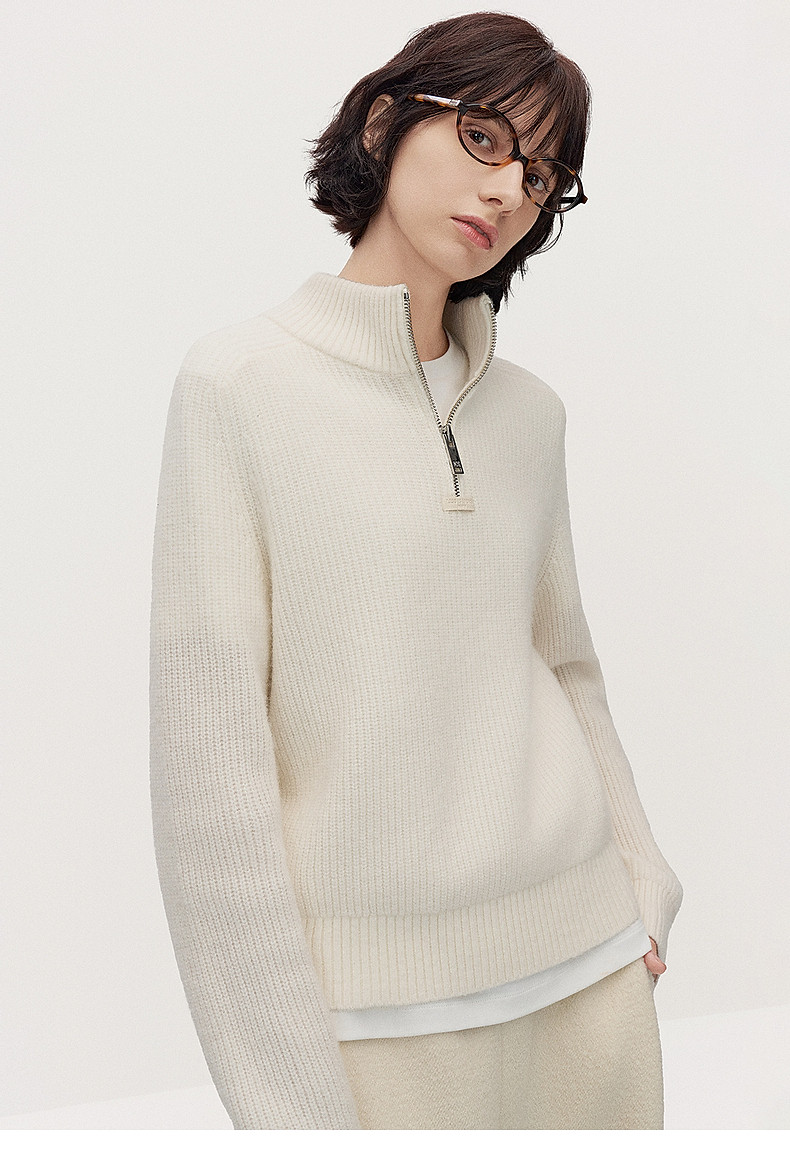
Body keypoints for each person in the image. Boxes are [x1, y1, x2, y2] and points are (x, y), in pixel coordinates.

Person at [149, 11, 683, 1130]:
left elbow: (565, 664)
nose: (507, 191)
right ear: (386, 122)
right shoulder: (240, 386)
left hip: (587, 976)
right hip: (378, 1019)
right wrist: (283, 1096)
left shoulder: (530, 413)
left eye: (541, 176)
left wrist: (643, 874)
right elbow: (210, 770)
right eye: (484, 137)